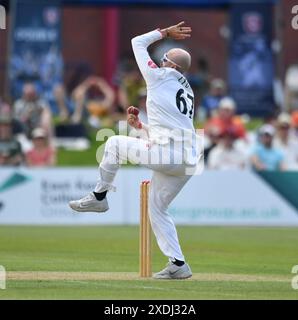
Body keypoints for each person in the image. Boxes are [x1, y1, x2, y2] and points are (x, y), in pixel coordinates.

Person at [69, 22, 200, 279]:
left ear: (170, 66)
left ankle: (99, 197)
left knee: (114, 143)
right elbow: (170, 130)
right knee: (157, 207)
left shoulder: (159, 76)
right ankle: (178, 264)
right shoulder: (187, 90)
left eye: (163, 60)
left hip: (171, 154)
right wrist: (140, 127)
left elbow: (137, 42)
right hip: (188, 158)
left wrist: (163, 33)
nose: (159, 63)